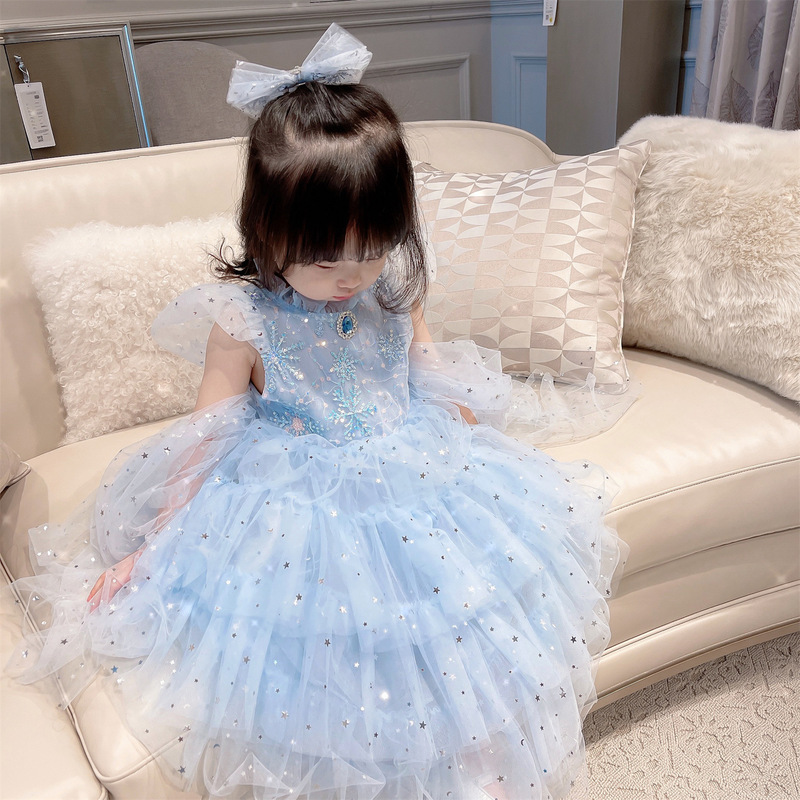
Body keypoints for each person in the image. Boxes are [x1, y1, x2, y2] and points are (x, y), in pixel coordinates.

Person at [11, 24, 625, 800]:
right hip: (290, 496)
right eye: (326, 255)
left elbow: (430, 375)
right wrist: (154, 547)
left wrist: (477, 449)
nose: (352, 276)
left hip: (410, 466)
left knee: (462, 630)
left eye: (374, 247)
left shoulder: (392, 291)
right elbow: (206, 434)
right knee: (328, 656)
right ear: (269, 231)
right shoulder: (243, 320)